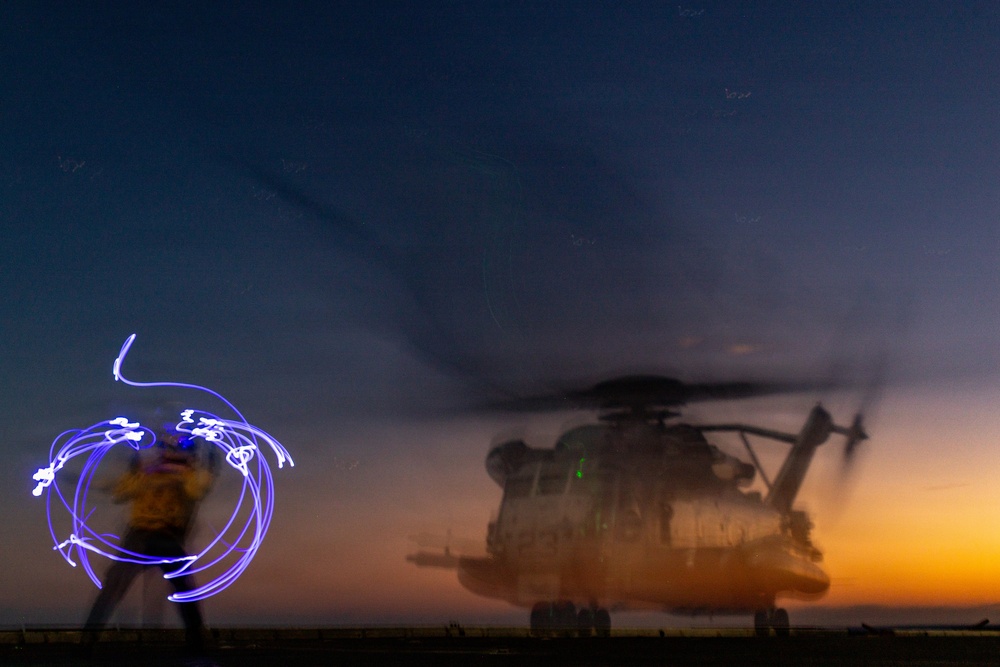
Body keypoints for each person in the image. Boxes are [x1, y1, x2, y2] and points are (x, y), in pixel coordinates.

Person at [82, 427, 217, 653]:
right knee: (184, 589)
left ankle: (87, 639)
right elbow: (198, 491)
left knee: (114, 586)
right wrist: (212, 463)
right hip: (164, 536)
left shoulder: (149, 471)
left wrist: (132, 470)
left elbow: (120, 494)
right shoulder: (185, 474)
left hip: (141, 536)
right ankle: (197, 641)